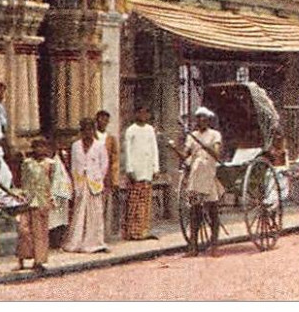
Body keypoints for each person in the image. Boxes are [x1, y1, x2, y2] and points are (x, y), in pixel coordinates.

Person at [169, 107, 224, 257]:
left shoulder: (214, 135)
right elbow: (185, 155)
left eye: (204, 118)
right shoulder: (192, 136)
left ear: (208, 120)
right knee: (194, 213)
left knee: (213, 212)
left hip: (209, 176)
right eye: (198, 118)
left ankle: (214, 246)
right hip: (195, 178)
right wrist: (174, 149)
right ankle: (193, 247)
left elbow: (217, 154)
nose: (201, 121)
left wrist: (207, 147)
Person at [66, 117, 110, 253]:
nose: (88, 132)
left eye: (90, 129)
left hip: (94, 182)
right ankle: (77, 242)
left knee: (95, 212)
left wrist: (98, 179)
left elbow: (104, 165)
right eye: (85, 130)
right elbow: (74, 165)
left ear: (94, 130)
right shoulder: (75, 146)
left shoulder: (99, 146)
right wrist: (75, 183)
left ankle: (95, 242)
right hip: (80, 182)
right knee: (79, 212)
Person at [16, 137, 58, 273]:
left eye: (42, 147)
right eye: (37, 147)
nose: (40, 150)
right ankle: (22, 259)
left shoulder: (50, 163)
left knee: (40, 232)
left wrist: (51, 198)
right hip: (27, 198)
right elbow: (22, 179)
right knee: (24, 230)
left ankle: (38, 260)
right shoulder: (27, 163)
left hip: (42, 199)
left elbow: (53, 181)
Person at [121, 106, 160, 241]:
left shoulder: (150, 130)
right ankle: (132, 231)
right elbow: (128, 151)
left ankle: (143, 230)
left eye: (146, 112)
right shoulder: (130, 130)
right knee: (134, 202)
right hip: (135, 171)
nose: (143, 115)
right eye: (140, 112)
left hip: (147, 169)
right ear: (136, 113)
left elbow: (154, 149)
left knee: (145, 202)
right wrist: (129, 169)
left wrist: (156, 167)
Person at [95, 109, 120, 243]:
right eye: (101, 119)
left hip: (106, 177)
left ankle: (104, 234)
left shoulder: (111, 139)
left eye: (106, 120)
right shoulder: (92, 137)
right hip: (93, 175)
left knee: (104, 205)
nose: (103, 122)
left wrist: (115, 178)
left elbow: (115, 159)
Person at [48, 130, 73, 249]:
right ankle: (53, 242)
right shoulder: (47, 161)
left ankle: (60, 241)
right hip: (50, 192)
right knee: (52, 219)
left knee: (62, 218)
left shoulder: (62, 156)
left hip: (62, 190)